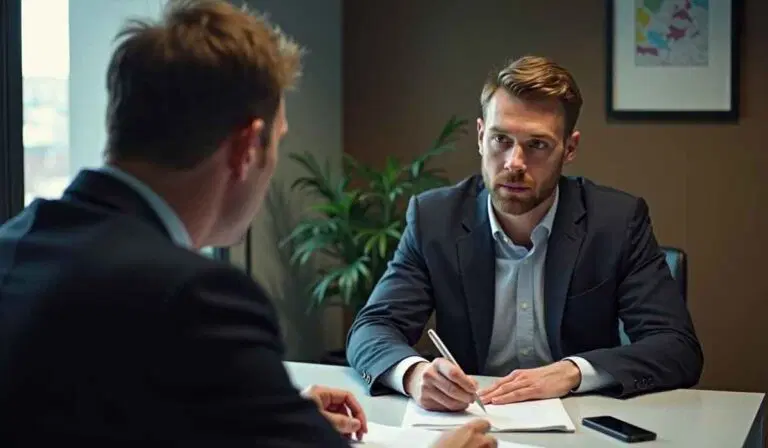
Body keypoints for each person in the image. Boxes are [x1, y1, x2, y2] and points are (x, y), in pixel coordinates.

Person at [0, 1, 496, 447]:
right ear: (246, 148)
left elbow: (93, 408)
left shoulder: (16, 243)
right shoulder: (196, 298)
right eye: (278, 142)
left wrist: (268, 414)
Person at [346, 55, 703, 411]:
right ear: (481, 136)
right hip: (472, 419)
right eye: (501, 139)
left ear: (570, 148)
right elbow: (373, 328)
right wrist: (413, 375)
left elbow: (676, 346)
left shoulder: (617, 222)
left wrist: (572, 372)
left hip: (581, 421)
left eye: (537, 145)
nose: (514, 163)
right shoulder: (434, 218)